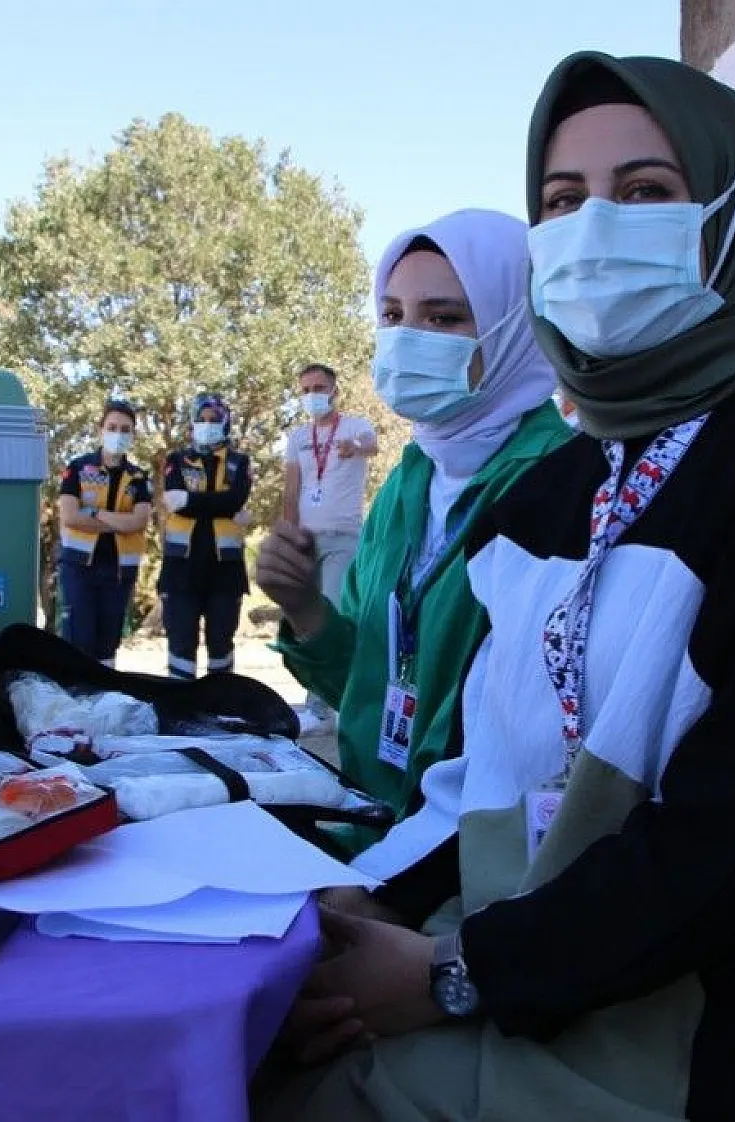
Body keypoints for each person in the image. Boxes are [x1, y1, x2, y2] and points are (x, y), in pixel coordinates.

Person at [255, 53, 735, 1122]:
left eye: (646, 194)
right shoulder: (551, 494)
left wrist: (451, 973)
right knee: (239, 1040)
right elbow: (475, 778)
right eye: (563, 201)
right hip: (522, 973)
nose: (591, 230)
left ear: (734, 214)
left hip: (693, 1048)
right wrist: (362, 912)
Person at [256, 208, 573, 849]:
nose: (408, 339)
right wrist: (306, 608)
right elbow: (367, 684)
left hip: (467, 860)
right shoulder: (409, 480)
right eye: (393, 316)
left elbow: (535, 741)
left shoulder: (559, 484)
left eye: (445, 317)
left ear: (518, 326)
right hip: (372, 831)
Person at [281, 362, 380, 734]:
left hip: (343, 536)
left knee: (334, 611)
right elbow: (291, 489)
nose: (312, 395)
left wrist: (352, 447)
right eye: (305, 389)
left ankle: (336, 704)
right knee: (306, 620)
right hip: (307, 539)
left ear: (335, 390)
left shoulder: (355, 427)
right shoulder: (297, 438)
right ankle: (318, 706)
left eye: (319, 387)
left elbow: (372, 446)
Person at [159, 393, 253, 679]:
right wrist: (221, 506)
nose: (207, 424)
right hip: (180, 569)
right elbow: (175, 502)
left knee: (221, 644)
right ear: (192, 422)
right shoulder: (176, 460)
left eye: (214, 419)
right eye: (201, 419)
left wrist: (190, 500)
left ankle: (219, 708)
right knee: (181, 643)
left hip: (225, 569)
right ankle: (180, 708)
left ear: (226, 423)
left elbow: (235, 499)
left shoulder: (240, 461)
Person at [55, 400, 152, 669]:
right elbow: (70, 516)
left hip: (119, 571)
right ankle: (77, 701)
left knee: (108, 644)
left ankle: (104, 704)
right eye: (112, 427)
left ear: (132, 435)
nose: (118, 434)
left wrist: (95, 513)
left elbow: (139, 522)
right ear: (100, 430)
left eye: (125, 429)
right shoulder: (77, 468)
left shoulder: (139, 478)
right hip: (79, 568)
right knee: (78, 641)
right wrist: (120, 521)